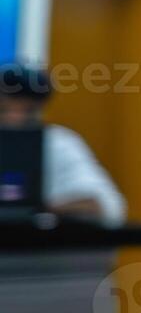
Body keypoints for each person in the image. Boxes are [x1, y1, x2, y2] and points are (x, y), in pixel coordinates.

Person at [0, 64, 126, 225]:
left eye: (28, 110)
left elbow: (104, 207)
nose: (15, 118)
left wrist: (40, 211)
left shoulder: (58, 143)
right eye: (4, 109)